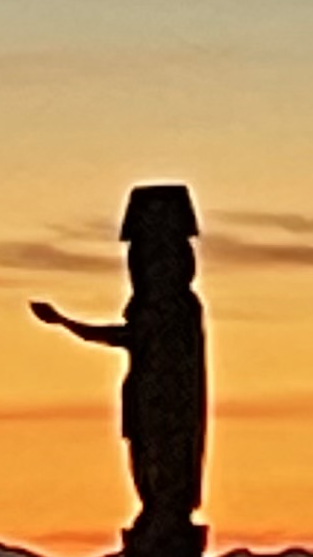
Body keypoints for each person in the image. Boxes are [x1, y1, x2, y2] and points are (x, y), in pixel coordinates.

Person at [30, 186, 206, 535]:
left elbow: (129, 337)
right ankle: (159, 516)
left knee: (162, 464)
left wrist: (65, 323)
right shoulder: (156, 306)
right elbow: (132, 337)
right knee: (146, 463)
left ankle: (166, 519)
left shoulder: (174, 308)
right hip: (146, 400)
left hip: (166, 407)